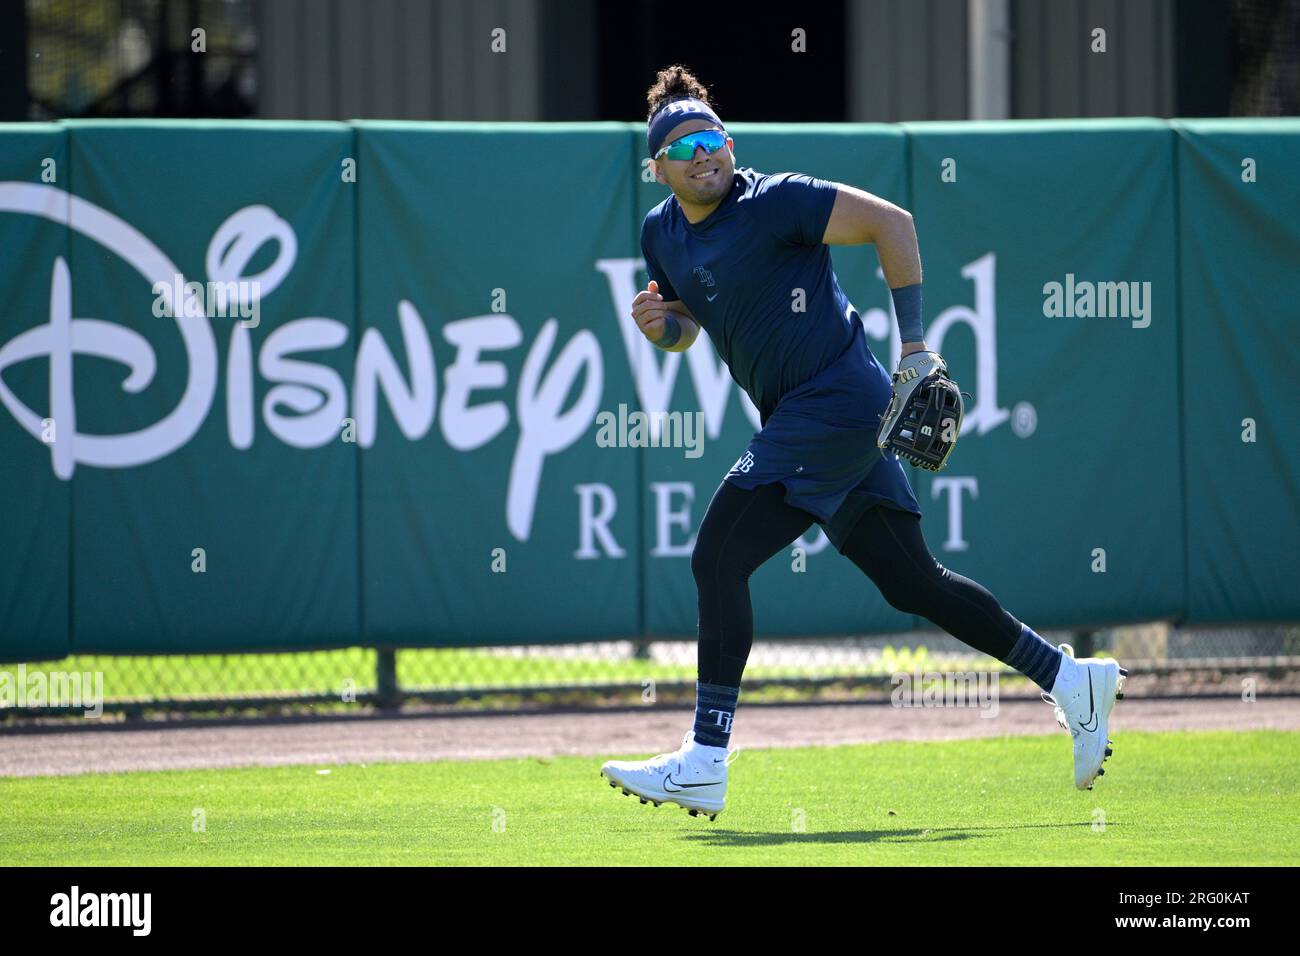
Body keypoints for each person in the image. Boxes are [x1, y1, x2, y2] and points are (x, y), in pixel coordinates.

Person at [600, 66, 1126, 821]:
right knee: (913, 583)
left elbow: (894, 224)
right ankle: (1070, 679)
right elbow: (689, 323)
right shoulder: (662, 234)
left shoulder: (774, 199)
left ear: (731, 141)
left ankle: (706, 758)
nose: (702, 151)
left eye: (710, 134)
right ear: (658, 170)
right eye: (681, 146)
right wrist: (665, 330)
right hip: (802, 415)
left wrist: (914, 347)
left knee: (718, 553)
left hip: (838, 400)